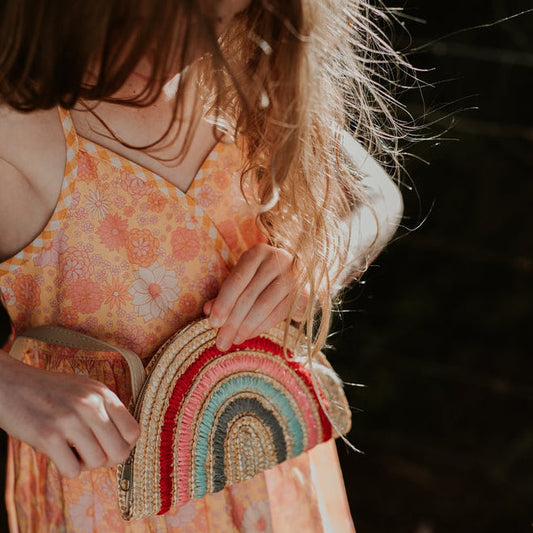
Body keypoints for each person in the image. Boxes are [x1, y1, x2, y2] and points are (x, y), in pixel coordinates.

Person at [0, 0, 405, 531]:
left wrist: (317, 262)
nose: (170, 50)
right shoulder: (20, 127)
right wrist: (10, 386)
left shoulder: (238, 81)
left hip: (272, 468)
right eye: (141, 16)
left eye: (209, 23)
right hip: (105, 504)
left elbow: (377, 196)